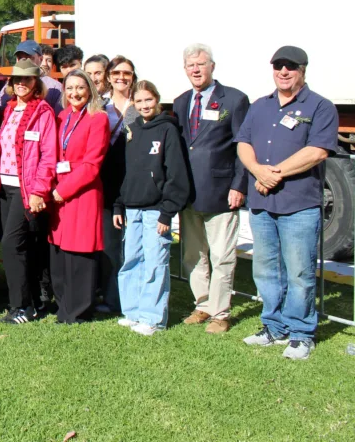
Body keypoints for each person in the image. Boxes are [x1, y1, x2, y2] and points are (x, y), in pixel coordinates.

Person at [237, 46, 338, 360]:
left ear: (303, 70)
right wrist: (256, 171)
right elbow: (243, 143)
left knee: (299, 272)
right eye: (278, 66)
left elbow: (318, 151)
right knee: (266, 269)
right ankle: (273, 327)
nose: (283, 72)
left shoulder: (320, 106)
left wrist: (273, 175)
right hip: (262, 203)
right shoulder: (260, 106)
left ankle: (300, 333)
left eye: (290, 67)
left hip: (299, 203)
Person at [173, 43, 250, 334]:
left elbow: (243, 146)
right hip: (189, 194)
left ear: (212, 67)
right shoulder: (181, 102)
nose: (195, 69)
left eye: (201, 64)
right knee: (193, 255)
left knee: (222, 256)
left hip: (221, 193)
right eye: (190, 65)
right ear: (185, 69)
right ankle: (202, 305)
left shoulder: (234, 99)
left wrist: (239, 185)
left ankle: (220, 312)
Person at [113, 80, 189, 336]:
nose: (145, 105)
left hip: (156, 209)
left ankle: (152, 317)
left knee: (155, 262)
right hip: (132, 208)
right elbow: (123, 172)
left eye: (149, 100)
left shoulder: (168, 129)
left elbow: (175, 174)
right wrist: (118, 205)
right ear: (133, 102)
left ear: (157, 100)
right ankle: (132, 311)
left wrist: (168, 211)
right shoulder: (131, 131)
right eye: (140, 101)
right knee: (132, 260)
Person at [0, 59, 57, 324]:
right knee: (23, 243)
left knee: (11, 243)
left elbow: (48, 156)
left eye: (27, 79)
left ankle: (21, 307)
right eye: (16, 79)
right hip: (6, 187)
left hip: (27, 188)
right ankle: (33, 299)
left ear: (36, 83)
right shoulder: (9, 110)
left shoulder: (43, 112)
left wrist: (39, 191)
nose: (20, 83)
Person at [48, 70, 110, 324]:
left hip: (81, 193)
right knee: (61, 251)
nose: (74, 93)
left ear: (90, 90)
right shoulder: (63, 116)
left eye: (80, 88)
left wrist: (62, 190)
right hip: (58, 192)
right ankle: (63, 306)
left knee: (79, 253)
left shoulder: (98, 119)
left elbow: (91, 165)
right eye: (70, 88)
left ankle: (79, 310)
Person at [96, 55, 140, 314]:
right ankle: (112, 297)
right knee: (110, 244)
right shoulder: (101, 106)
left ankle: (132, 296)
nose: (122, 77)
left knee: (133, 242)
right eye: (117, 73)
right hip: (107, 181)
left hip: (134, 180)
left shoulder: (142, 104)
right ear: (109, 77)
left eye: (127, 73)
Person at [10, 40, 62, 112]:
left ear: (40, 59)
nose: (25, 62)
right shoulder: (8, 86)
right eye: (20, 58)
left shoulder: (55, 87)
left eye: (30, 58)